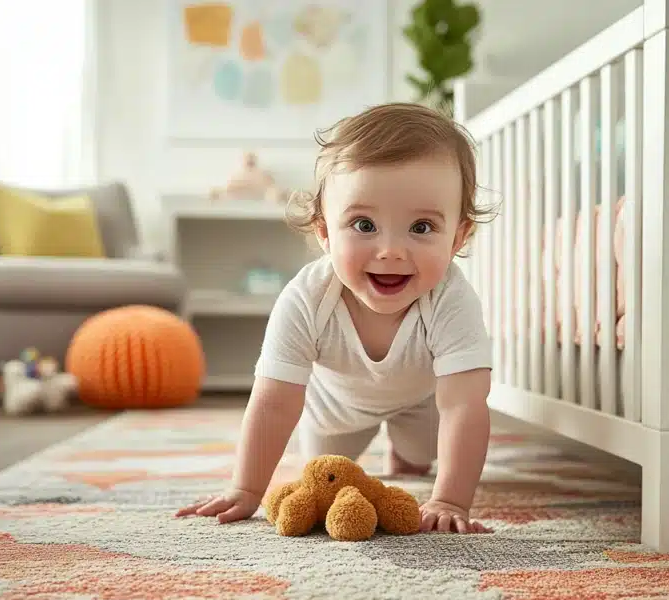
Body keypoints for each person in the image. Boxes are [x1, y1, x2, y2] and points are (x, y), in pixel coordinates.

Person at [176, 102, 496, 534]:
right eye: (364, 225)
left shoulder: (452, 300)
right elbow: (273, 401)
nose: (391, 251)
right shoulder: (306, 300)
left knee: (419, 461)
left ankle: (405, 455)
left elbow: (463, 405)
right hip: (333, 408)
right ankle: (375, 451)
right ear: (324, 231)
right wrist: (247, 489)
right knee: (326, 473)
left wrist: (450, 500)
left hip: (422, 402)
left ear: (458, 236)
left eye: (421, 228)